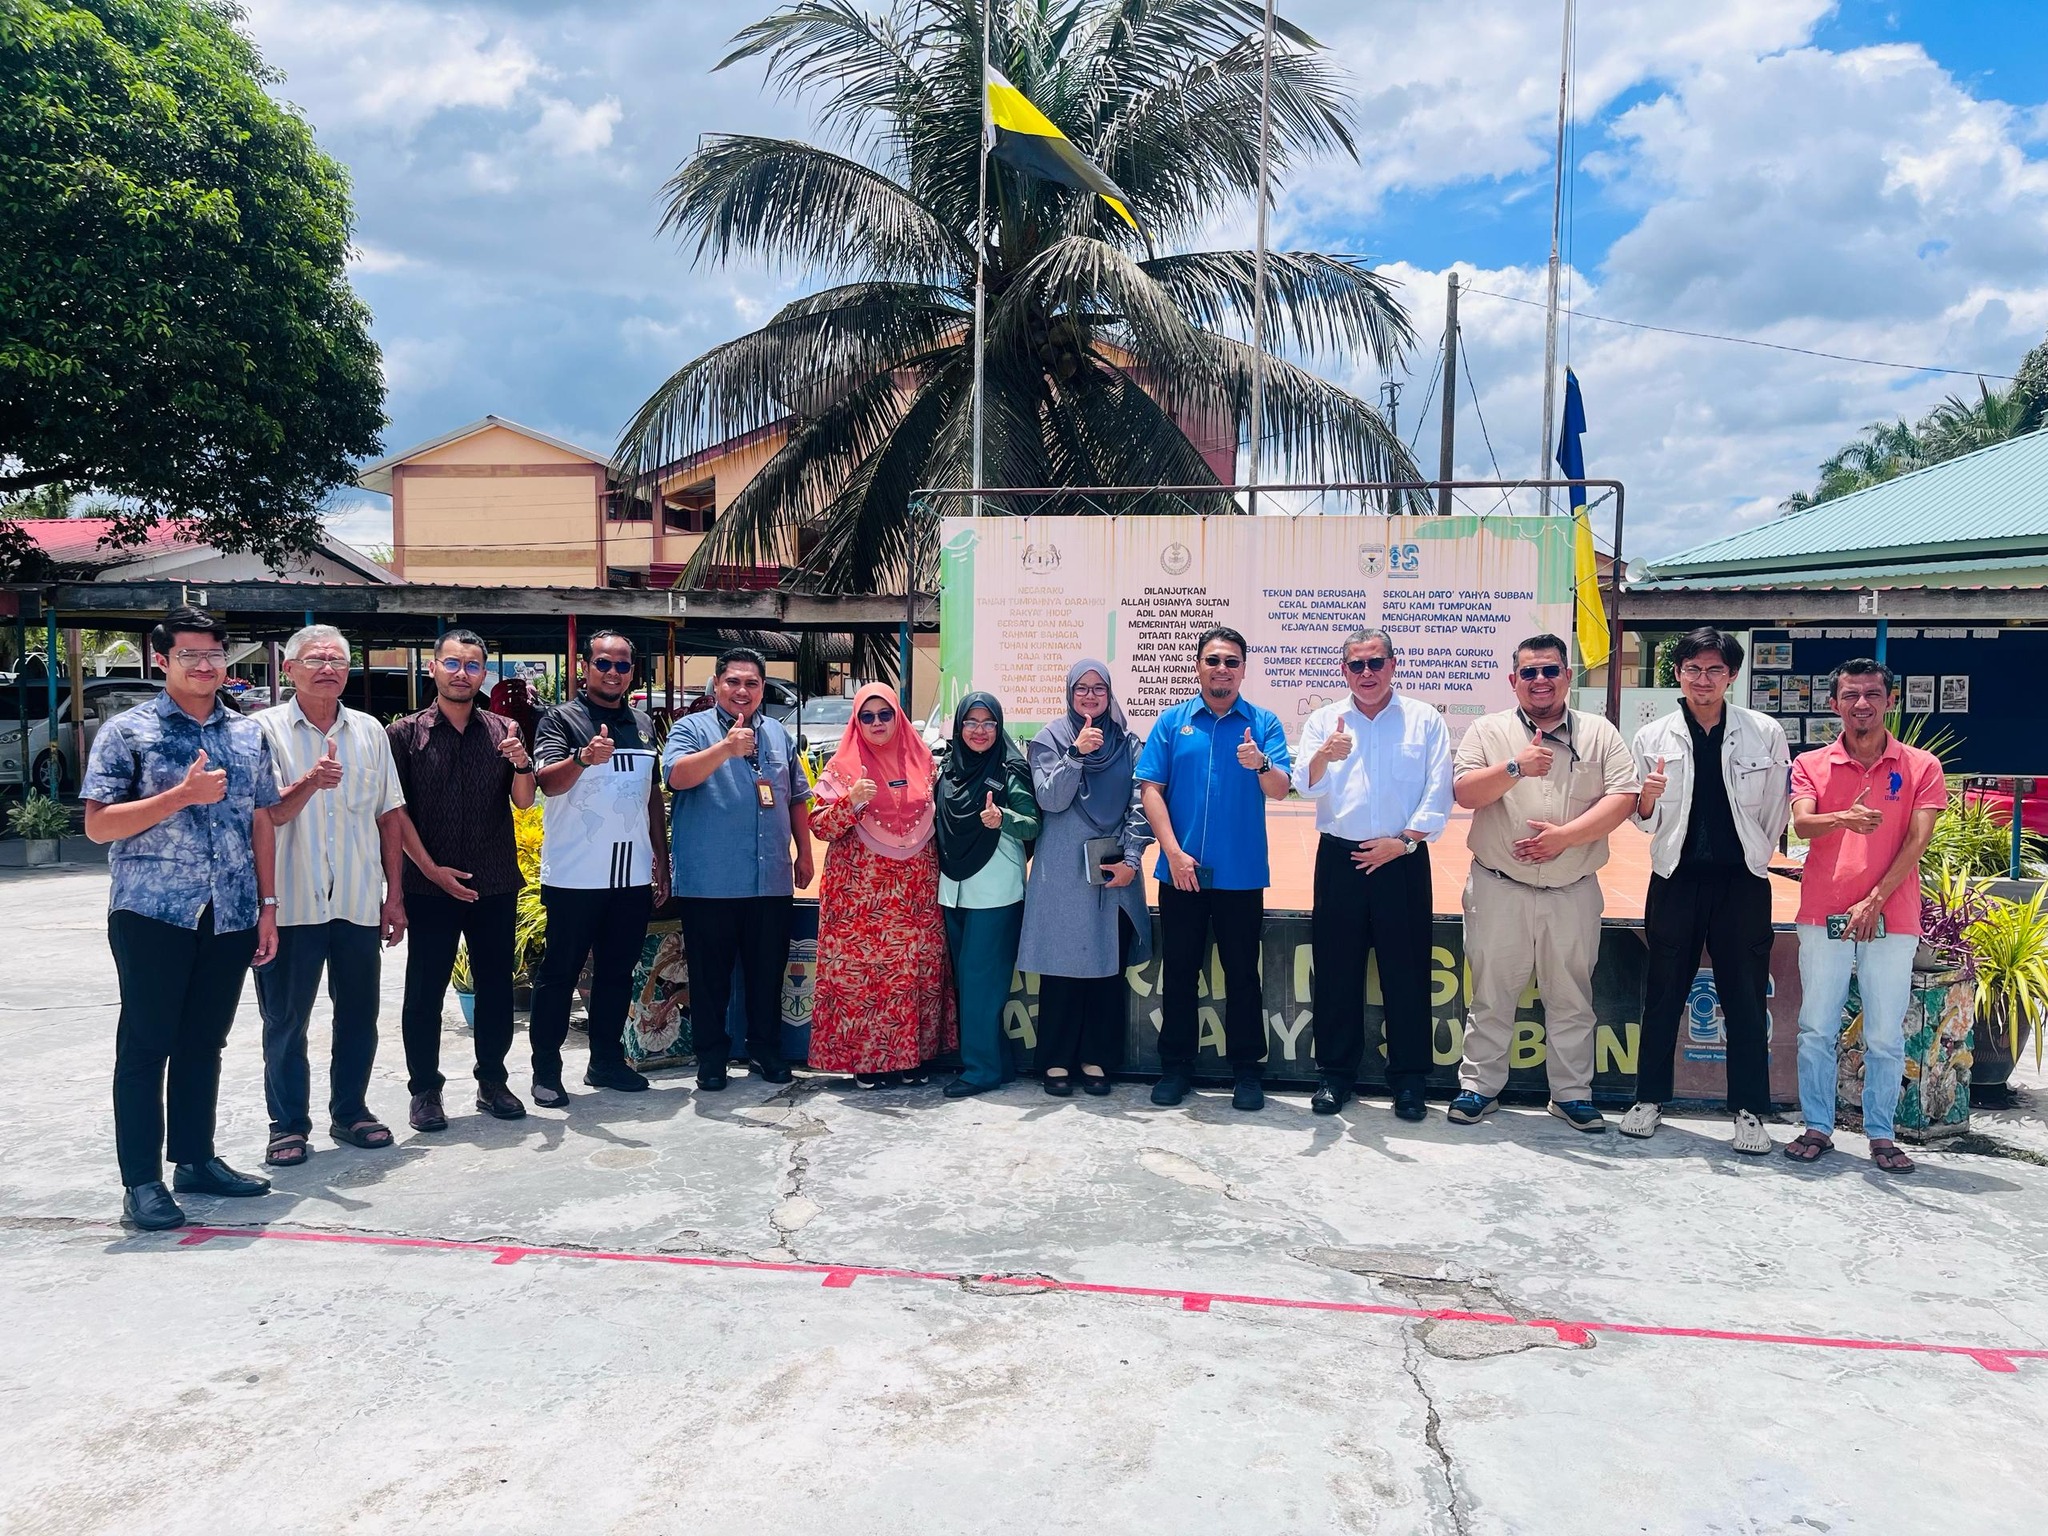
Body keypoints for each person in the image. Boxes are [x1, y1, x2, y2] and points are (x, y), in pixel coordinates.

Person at [82, 605, 282, 1231]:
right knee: (146, 1046)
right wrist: (180, 796)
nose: (204, 665)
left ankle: (194, 1160)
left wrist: (268, 907)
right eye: (190, 655)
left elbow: (261, 819)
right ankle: (141, 1181)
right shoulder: (128, 731)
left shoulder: (248, 733)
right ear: (161, 659)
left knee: (205, 1042)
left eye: (214, 654)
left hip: (230, 913)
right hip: (153, 913)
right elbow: (96, 826)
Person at [1448, 634, 1638, 1132]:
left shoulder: (1600, 733)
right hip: (1498, 887)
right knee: (1490, 991)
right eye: (1529, 672)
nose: (1540, 681)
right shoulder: (1488, 731)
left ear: (1567, 677)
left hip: (1571, 888)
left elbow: (1622, 796)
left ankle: (1572, 1094)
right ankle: (1478, 1087)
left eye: (1550, 670)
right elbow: (1465, 792)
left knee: (1572, 997)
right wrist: (1516, 767)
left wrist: (1565, 839)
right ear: (1513, 681)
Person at [1621, 627, 1790, 1154]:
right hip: (1676, 877)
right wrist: (1646, 801)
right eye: (1693, 669)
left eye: (1715, 669)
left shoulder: (1763, 731)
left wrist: (1753, 852)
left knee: (1743, 997)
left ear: (1732, 676)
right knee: (1665, 991)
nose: (1703, 679)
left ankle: (1749, 1111)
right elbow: (1644, 823)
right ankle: (1649, 1099)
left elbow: (1775, 810)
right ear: (1677, 674)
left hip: (1742, 882)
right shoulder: (1653, 737)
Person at [252, 625, 409, 1168]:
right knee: (286, 1020)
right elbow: (265, 815)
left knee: (359, 1014)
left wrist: (394, 897)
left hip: (358, 901)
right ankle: (288, 1125)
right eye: (315, 659)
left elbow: (389, 816)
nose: (328, 668)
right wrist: (310, 783)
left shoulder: (369, 732)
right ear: (289, 669)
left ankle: (351, 1112)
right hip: (289, 905)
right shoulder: (262, 730)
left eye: (338, 660)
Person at [1784, 659, 1944, 1173]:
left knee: (1884, 1033)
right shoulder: (1811, 763)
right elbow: (1803, 827)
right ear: (1834, 704)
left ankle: (1881, 1132)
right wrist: (1845, 818)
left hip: (1891, 915)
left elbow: (1918, 840)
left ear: (1890, 701)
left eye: (1873, 694)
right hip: (1822, 912)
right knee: (1816, 1026)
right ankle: (1817, 1126)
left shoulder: (1921, 766)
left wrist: (1874, 900)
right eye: (1851, 694)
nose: (1862, 704)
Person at [1292, 629, 1452, 1121]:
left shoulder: (1423, 719)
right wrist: (1324, 755)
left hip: (1401, 857)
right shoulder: (1324, 720)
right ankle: (1334, 1076)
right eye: (1356, 665)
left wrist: (1402, 842)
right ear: (1343, 670)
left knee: (1406, 971)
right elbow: (1303, 786)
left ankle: (1408, 1081)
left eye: (1376, 663)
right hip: (1341, 859)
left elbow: (1438, 789)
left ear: (1393, 665)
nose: (1367, 673)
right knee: (1336, 969)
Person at [1136, 626, 1292, 1111]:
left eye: (1231, 661)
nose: (1221, 669)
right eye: (1213, 660)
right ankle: (1175, 1067)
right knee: (1180, 972)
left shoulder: (1262, 723)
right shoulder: (1172, 721)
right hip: (1179, 873)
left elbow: (1282, 789)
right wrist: (1173, 853)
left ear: (1243, 669)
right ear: (1198, 666)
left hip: (1240, 876)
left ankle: (1247, 1071)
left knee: (1243, 975)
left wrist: (1260, 763)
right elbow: (1150, 790)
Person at [388, 629, 537, 1131]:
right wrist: (431, 870)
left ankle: (493, 1081)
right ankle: (424, 1090)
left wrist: (523, 764)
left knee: (496, 986)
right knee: (424, 990)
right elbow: (394, 812)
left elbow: (522, 801)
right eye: (452, 664)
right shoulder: (405, 735)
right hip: (429, 885)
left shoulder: (504, 729)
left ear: (483, 675)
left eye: (472, 666)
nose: (461, 674)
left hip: (494, 881)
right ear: (433, 668)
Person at [527, 631, 671, 1102]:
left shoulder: (645, 723)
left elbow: (651, 796)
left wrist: (660, 860)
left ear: (634, 672)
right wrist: (583, 758)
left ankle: (606, 1062)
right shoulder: (560, 719)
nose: (613, 673)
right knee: (559, 974)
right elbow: (546, 784)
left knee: (617, 973)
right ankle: (546, 1071)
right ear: (585, 667)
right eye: (604, 664)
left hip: (630, 876)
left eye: (623, 665)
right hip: (575, 876)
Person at [662, 646, 813, 1091]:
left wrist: (803, 853)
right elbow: (675, 776)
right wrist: (725, 749)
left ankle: (765, 1049)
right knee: (710, 978)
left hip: (769, 880)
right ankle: (711, 1057)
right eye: (733, 682)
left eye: (751, 683)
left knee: (767, 974)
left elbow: (796, 796)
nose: (741, 691)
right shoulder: (692, 728)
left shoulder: (777, 735)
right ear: (716, 685)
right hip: (711, 880)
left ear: (763, 689)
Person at [807, 683, 957, 1087]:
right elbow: (820, 826)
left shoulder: (924, 761)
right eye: (867, 717)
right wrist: (851, 800)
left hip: (914, 890)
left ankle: (912, 1059)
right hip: (861, 893)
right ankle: (866, 1061)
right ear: (856, 722)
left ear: (899, 717)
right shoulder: (842, 768)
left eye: (885, 714)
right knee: (866, 976)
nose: (876, 723)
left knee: (911, 973)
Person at [1018, 661, 1153, 1096]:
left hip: (1112, 868)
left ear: (1110, 694)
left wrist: (1131, 857)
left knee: (1106, 965)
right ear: (1070, 693)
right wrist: (1075, 754)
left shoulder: (1129, 744)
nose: (1091, 696)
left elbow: (1141, 803)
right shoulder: (1049, 739)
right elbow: (1050, 800)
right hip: (1062, 872)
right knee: (1061, 969)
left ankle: (1097, 1057)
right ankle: (1055, 1060)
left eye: (1099, 689)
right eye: (1082, 688)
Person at [934, 693, 1041, 1098]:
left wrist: (1003, 819)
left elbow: (1033, 825)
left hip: (995, 891)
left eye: (988, 723)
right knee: (970, 982)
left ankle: (980, 1072)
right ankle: (999, 1061)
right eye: (971, 723)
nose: (980, 731)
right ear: (959, 727)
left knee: (981, 984)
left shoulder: (1010, 769)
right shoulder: (948, 770)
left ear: (999, 728)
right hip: (954, 889)